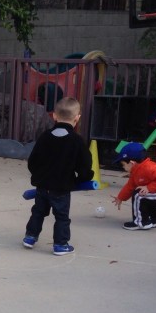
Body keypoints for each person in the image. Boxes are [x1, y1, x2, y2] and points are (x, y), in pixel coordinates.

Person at [22, 97, 93, 255]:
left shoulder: (44, 136)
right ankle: (60, 245)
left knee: (38, 212)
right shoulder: (77, 141)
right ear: (77, 118)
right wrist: (83, 179)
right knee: (61, 216)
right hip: (61, 188)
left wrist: (38, 177)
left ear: (54, 116)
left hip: (42, 186)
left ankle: (30, 237)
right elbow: (85, 165)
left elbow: (32, 161)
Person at [112, 142, 156, 230]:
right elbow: (129, 186)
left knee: (139, 195)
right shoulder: (136, 172)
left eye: (123, 164)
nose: (122, 167)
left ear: (132, 163)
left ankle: (141, 222)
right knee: (143, 197)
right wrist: (120, 197)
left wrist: (149, 188)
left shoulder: (149, 167)